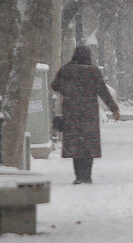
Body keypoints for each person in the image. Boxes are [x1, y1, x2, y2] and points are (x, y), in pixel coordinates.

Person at [51, 45, 121, 184]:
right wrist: (114, 109)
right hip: (89, 113)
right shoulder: (93, 72)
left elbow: (55, 85)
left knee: (76, 145)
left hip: (72, 112)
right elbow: (103, 92)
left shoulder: (66, 70)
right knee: (88, 145)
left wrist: (67, 91)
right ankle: (87, 175)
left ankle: (78, 176)